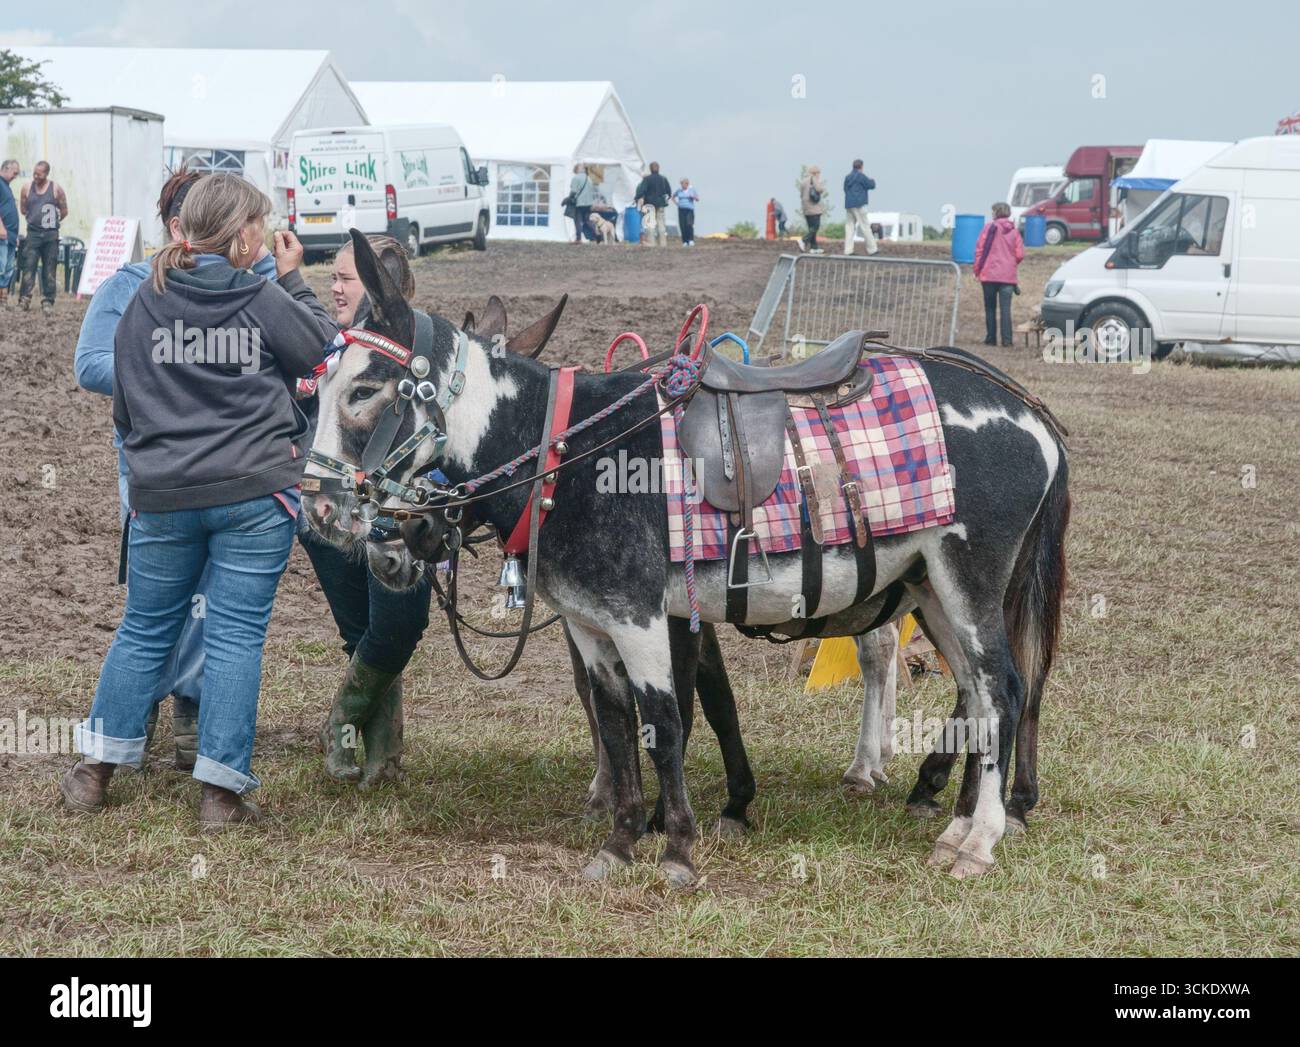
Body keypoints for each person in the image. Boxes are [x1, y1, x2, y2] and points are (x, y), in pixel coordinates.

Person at [61, 174, 337, 830]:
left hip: (163, 493)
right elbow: (321, 349)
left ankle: (92, 772)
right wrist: (293, 279)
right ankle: (219, 796)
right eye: (259, 226)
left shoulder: (143, 300)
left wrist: (154, 461)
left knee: (144, 627)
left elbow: (125, 399)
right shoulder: (260, 294)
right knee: (237, 635)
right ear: (243, 234)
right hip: (253, 490)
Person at [73, 169, 270, 773]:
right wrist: (177, 383)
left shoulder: (255, 279)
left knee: (198, 600)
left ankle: (185, 705)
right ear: (178, 226)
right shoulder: (130, 285)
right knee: (167, 607)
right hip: (172, 461)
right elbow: (90, 364)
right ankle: (153, 716)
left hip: (186, 461)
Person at [302, 235, 432, 787]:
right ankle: (382, 760)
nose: (333, 286)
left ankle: (341, 724)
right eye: (331, 276)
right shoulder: (332, 345)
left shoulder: (417, 350)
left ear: (385, 283)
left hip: (395, 516)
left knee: (399, 628)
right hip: (327, 513)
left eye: (346, 278)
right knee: (360, 635)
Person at [972, 202, 1025, 347]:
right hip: (1008, 277)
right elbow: (1020, 254)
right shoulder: (1014, 231)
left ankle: (991, 339)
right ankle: (1007, 340)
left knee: (990, 308)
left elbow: (980, 250)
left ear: (996, 212)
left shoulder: (989, 228)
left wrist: (977, 270)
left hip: (989, 275)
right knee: (1006, 309)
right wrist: (1009, 263)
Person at [18, 160, 68, 314]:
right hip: (33, 234)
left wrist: (52, 222)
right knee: (29, 267)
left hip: (50, 236)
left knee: (49, 268)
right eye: (34, 172)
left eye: (39, 174)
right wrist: (35, 219)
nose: (35, 176)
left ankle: (48, 300)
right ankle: (24, 300)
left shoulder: (56, 189)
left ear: (46, 174)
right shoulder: (27, 188)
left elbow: (64, 210)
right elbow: (23, 208)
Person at [843, 159, 879, 256]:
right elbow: (871, 185)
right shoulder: (861, 176)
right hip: (859, 204)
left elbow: (845, 189)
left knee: (849, 227)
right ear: (861, 167)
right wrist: (872, 180)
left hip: (849, 204)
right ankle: (872, 249)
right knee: (865, 226)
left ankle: (848, 250)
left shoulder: (848, 177)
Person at [635, 161, 673, 247]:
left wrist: (636, 198)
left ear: (650, 169)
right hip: (661, 204)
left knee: (650, 224)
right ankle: (663, 243)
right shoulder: (663, 179)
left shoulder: (647, 179)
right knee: (661, 223)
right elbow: (669, 192)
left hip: (649, 204)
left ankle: (652, 242)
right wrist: (665, 200)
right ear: (659, 168)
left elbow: (642, 191)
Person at [0, 159, 19, 305]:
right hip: (2, 234)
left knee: (8, 268)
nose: (16, 176)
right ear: (5, 169)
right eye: (14, 172)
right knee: (1, 266)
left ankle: (3, 300)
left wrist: (15, 235)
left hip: (10, 235)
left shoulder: (6, 186)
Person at [799, 165, 827, 253]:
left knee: (811, 227)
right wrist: (822, 188)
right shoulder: (814, 179)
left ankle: (814, 247)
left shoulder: (803, 181)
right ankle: (803, 240)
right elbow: (819, 189)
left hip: (806, 208)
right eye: (819, 173)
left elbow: (801, 195)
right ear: (816, 173)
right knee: (816, 226)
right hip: (814, 208)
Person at [567, 163, 596, 244]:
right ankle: (596, 236)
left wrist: (569, 199)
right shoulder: (588, 178)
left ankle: (578, 239)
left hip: (579, 203)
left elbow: (573, 191)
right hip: (589, 203)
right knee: (588, 220)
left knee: (577, 221)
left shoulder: (576, 178)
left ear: (576, 170)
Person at [674, 177, 699, 247]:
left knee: (689, 224)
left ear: (687, 184)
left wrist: (693, 197)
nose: (683, 185)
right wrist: (677, 203)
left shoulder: (691, 190)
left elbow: (697, 199)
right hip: (681, 209)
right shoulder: (679, 190)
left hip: (689, 209)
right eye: (681, 184)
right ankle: (684, 241)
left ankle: (691, 240)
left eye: (684, 184)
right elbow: (673, 196)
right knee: (682, 225)